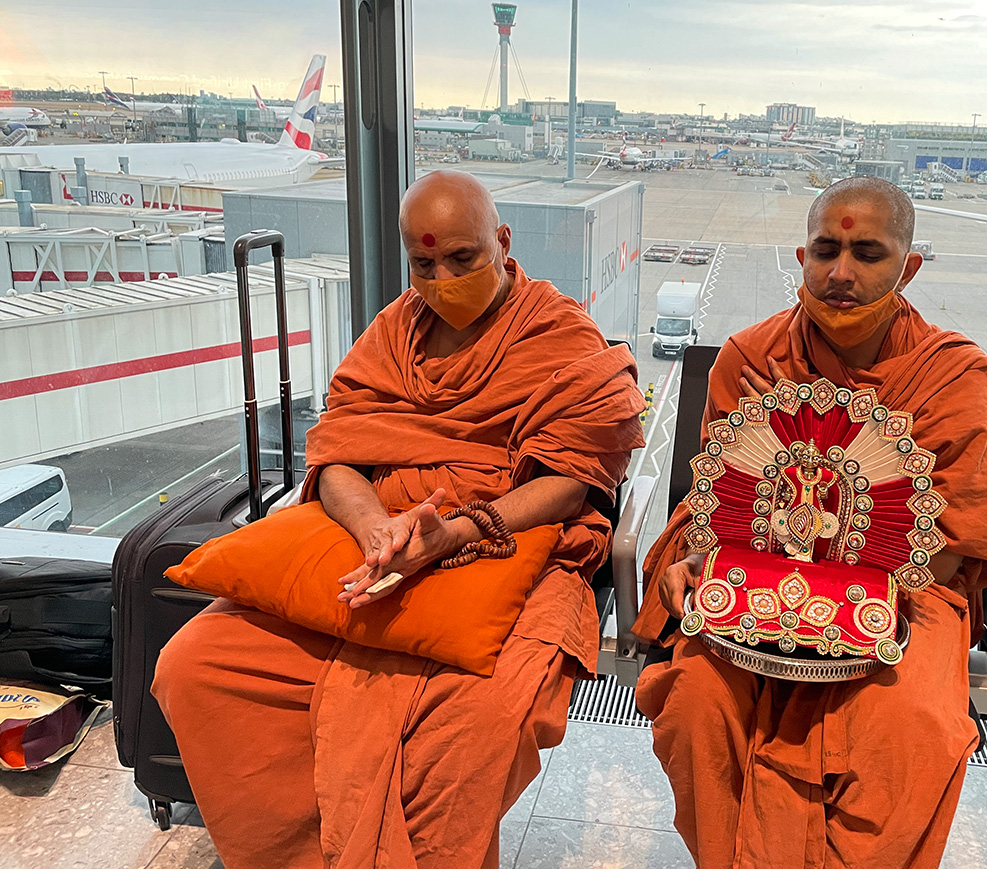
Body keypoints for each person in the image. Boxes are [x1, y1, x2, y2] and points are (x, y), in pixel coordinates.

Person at [153, 170, 646, 869]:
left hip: (506, 540)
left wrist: (458, 532)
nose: (443, 281)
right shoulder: (394, 331)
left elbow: (572, 482)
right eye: (424, 264)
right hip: (380, 540)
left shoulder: (559, 334)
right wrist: (372, 528)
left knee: (472, 727)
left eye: (463, 258)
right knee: (196, 664)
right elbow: (338, 453)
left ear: (503, 243)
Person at [633, 176, 987, 869]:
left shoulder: (955, 380)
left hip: (902, 596)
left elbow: (957, 543)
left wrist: (818, 448)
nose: (841, 273)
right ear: (803, 257)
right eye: (826, 250)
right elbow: (720, 506)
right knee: (697, 702)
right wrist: (697, 559)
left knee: (911, 727)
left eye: (867, 253)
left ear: (909, 267)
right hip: (754, 586)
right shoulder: (750, 359)